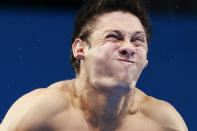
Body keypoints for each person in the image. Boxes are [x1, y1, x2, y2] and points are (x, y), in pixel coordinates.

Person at [0, 0, 188, 130]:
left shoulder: (164, 123)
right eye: (114, 37)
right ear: (80, 49)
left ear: (145, 59)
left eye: (138, 40)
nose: (129, 48)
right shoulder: (40, 111)